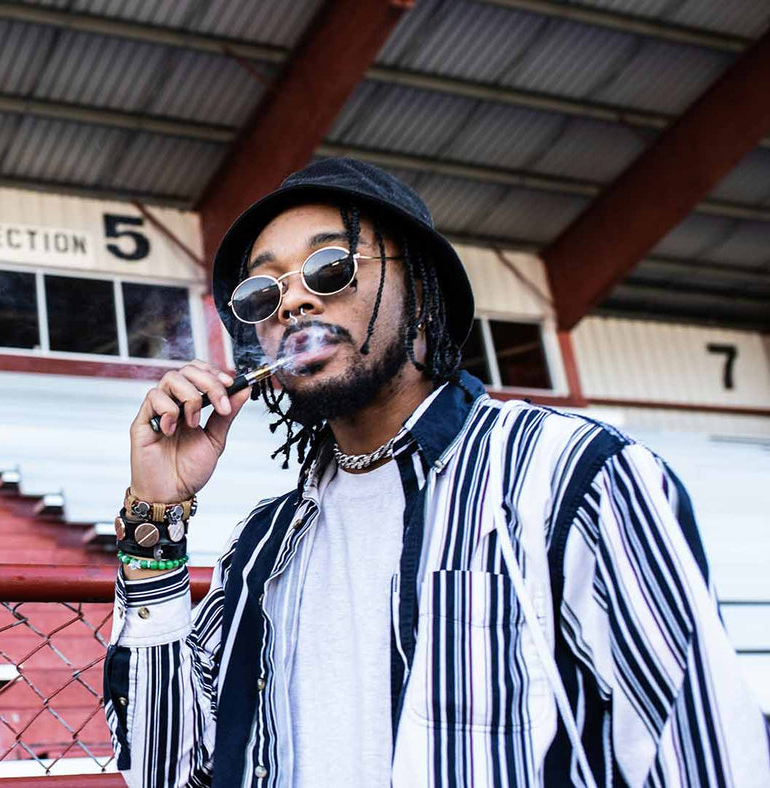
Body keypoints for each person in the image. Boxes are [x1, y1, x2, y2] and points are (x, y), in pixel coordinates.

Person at [103, 158, 769, 787]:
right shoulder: (263, 546)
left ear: (421, 290)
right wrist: (154, 516)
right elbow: (165, 769)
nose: (293, 303)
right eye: (262, 290)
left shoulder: (571, 478)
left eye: (330, 266)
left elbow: (701, 751)